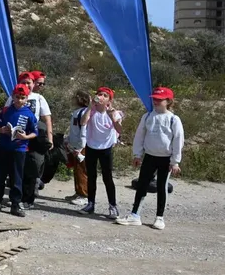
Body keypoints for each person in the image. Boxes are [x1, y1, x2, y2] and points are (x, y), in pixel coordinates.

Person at [117, 86, 184, 229]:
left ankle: (160, 217)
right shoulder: (147, 116)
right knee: (142, 185)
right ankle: (135, 215)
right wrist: (137, 154)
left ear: (168, 101)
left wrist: (175, 162)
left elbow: (178, 140)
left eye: (160, 99)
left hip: (165, 159)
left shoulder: (174, 119)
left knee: (161, 187)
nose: (156, 101)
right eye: (154, 99)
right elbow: (139, 136)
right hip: (149, 156)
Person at [0, 85, 38, 217]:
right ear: (13, 96)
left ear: (27, 98)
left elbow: (34, 132)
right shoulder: (5, 111)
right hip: (4, 147)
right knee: (0, 177)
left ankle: (15, 204)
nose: (20, 100)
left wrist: (25, 137)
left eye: (23, 98)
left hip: (19, 149)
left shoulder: (29, 114)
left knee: (17, 177)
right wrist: (2, 130)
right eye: (17, 97)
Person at [5, 72, 53, 206]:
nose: (27, 85)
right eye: (24, 82)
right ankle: (16, 197)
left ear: (33, 84)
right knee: (16, 167)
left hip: (33, 135)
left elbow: (47, 118)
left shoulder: (39, 98)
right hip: (16, 135)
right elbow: (5, 113)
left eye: (29, 82)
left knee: (32, 167)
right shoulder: (13, 97)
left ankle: (28, 199)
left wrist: (50, 138)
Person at [79, 87, 123, 218]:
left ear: (109, 100)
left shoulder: (114, 113)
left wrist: (113, 118)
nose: (101, 97)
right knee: (91, 176)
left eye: (105, 95)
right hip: (92, 146)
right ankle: (90, 203)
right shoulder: (91, 111)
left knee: (107, 177)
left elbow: (120, 130)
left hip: (106, 148)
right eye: (99, 94)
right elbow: (83, 122)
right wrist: (89, 107)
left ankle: (112, 206)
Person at [64, 90, 91, 205]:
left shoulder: (84, 113)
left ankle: (84, 195)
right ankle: (78, 191)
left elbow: (83, 131)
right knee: (77, 170)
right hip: (75, 145)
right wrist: (68, 139)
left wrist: (81, 147)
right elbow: (75, 130)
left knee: (82, 170)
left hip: (81, 147)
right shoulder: (77, 112)